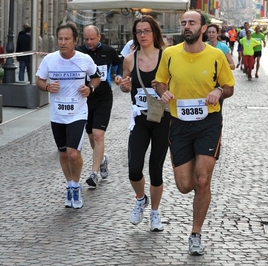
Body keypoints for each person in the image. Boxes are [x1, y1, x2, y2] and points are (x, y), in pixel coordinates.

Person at [155, 10, 235, 256]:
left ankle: (196, 234)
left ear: (203, 28)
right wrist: (163, 92)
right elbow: (159, 82)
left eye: (192, 23)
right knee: (184, 185)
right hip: (179, 124)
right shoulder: (169, 54)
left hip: (208, 123)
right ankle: (191, 187)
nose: (187, 26)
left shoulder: (216, 56)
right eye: (184, 23)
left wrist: (219, 92)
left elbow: (230, 87)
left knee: (202, 180)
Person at [35, 22, 101, 209]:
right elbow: (39, 80)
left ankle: (77, 185)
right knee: (63, 154)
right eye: (60, 39)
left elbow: (96, 77)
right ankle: (70, 185)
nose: (63, 43)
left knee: (73, 153)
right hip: (57, 114)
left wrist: (90, 88)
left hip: (77, 113)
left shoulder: (84, 59)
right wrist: (47, 87)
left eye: (67, 39)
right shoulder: (49, 60)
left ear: (75, 40)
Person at [115, 15, 171, 232]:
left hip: (162, 118)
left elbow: (173, 88)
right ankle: (140, 199)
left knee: (156, 168)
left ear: (154, 32)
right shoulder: (129, 59)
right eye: (139, 32)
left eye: (147, 31)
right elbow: (126, 85)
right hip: (139, 118)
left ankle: (155, 213)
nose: (143, 35)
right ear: (135, 35)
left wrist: (164, 90)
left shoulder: (167, 57)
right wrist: (124, 86)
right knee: (134, 168)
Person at [75, 25, 123, 187]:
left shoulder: (109, 51)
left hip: (103, 97)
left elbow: (119, 64)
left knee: (97, 135)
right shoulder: (79, 52)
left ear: (99, 37)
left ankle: (93, 174)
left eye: (92, 39)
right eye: (86, 39)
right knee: (90, 136)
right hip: (85, 99)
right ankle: (102, 159)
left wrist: (120, 76)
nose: (89, 42)